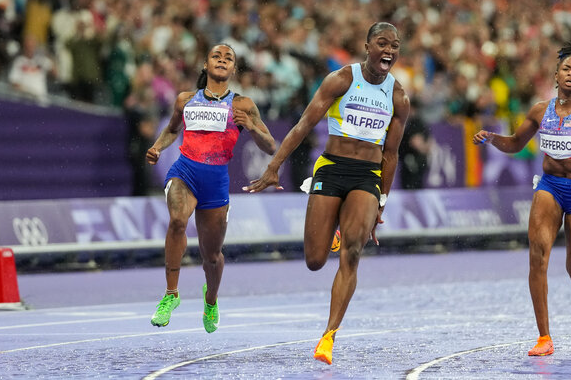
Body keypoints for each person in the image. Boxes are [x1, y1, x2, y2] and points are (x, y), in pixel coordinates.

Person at [244, 22, 410, 365]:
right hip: (332, 168)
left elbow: (391, 154)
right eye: (382, 43)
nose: (389, 51)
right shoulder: (342, 80)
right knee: (315, 260)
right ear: (367, 46)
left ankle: (329, 336)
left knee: (353, 252)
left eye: (395, 46)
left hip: (367, 175)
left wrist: (381, 200)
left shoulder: (398, 97)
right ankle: (333, 232)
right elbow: (304, 124)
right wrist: (274, 166)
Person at [472, 40, 571, 357]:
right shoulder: (540, 111)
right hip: (550, 186)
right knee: (537, 253)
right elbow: (516, 144)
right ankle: (544, 337)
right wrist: (492, 138)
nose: (570, 73)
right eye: (566, 68)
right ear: (556, 75)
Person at [145, 43, 277, 333]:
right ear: (206, 65)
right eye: (216, 56)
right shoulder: (185, 100)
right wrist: (156, 148)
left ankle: (211, 298)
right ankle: (171, 295)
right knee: (178, 220)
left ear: (233, 69)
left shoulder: (243, 105)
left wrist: (252, 127)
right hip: (185, 171)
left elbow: (270, 146)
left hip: (216, 182)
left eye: (228, 58)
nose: (222, 60)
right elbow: (170, 131)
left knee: (212, 257)